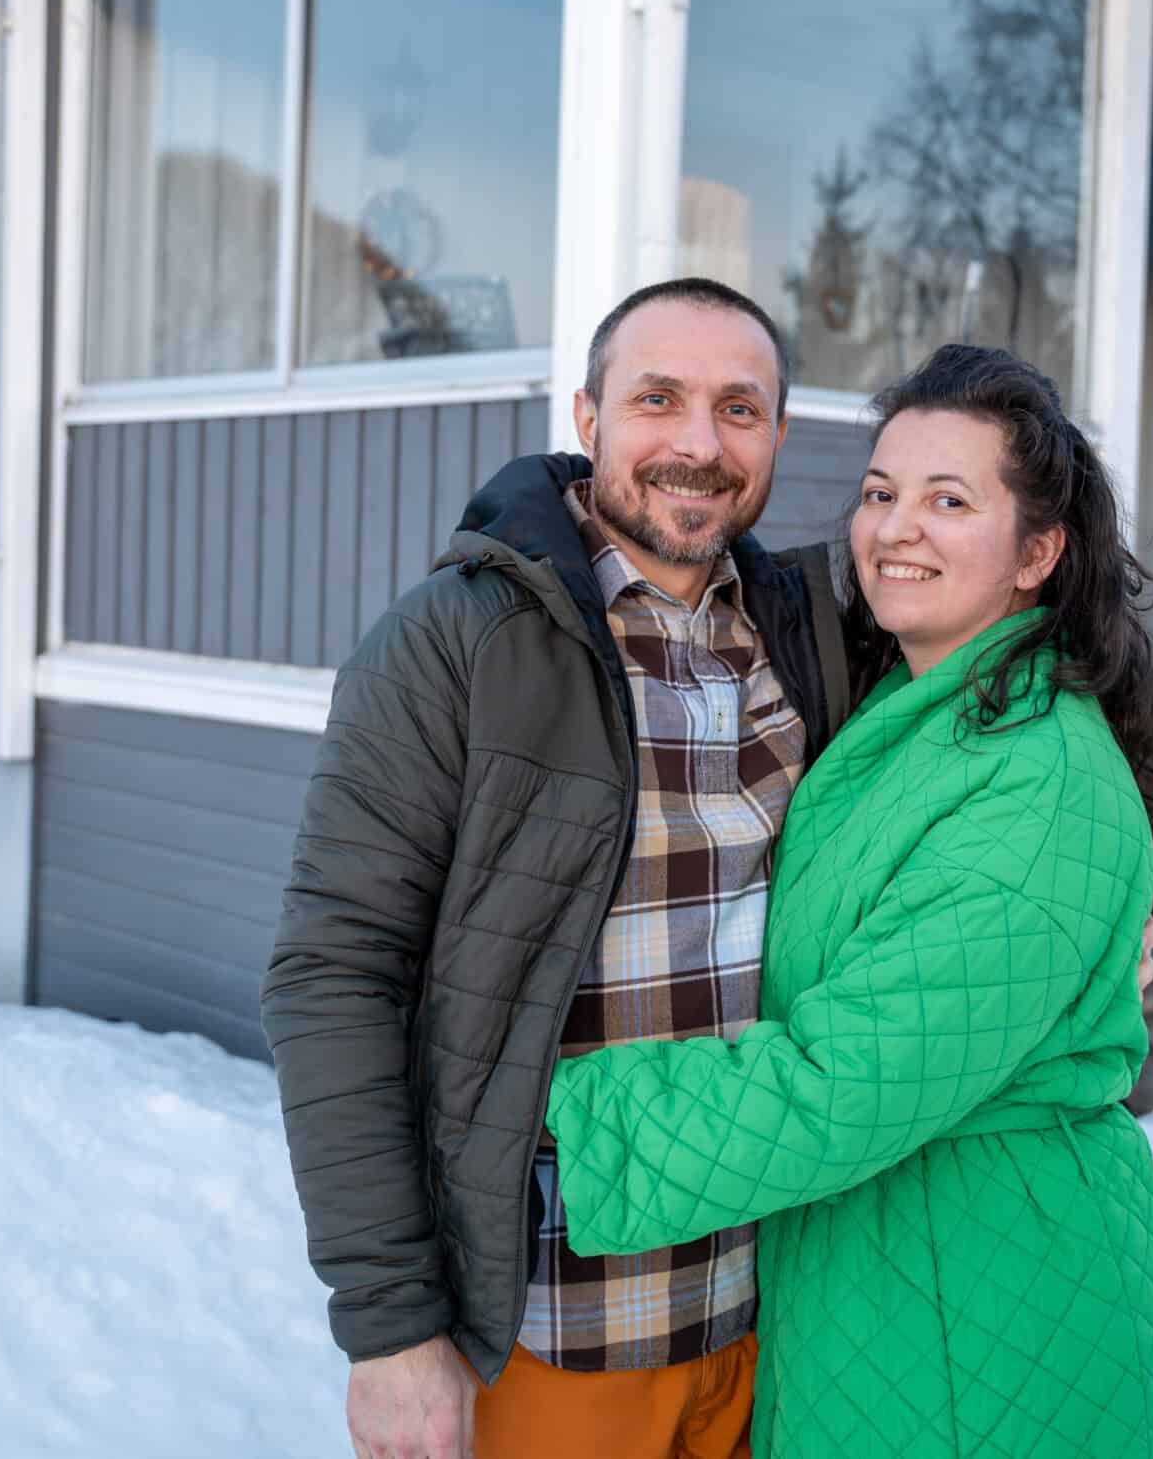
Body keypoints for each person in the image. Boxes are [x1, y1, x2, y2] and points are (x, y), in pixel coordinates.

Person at [543, 344, 1153, 1459]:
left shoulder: (1036, 778)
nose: (896, 529)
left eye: (949, 499)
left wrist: (549, 1113)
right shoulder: (914, 710)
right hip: (890, 1273)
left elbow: (845, 1079)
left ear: (1038, 552)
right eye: (881, 493)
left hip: (981, 1314)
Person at [265, 277, 843, 1459]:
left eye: (739, 409)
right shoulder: (457, 639)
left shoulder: (814, 632)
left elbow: (1029, 664)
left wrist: (1115, 896)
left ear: (779, 435)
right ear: (587, 417)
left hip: (778, 1310)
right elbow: (333, 972)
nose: (697, 442)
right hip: (551, 1329)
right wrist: (390, 1327)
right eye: (658, 399)